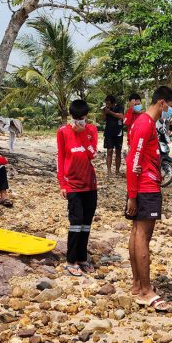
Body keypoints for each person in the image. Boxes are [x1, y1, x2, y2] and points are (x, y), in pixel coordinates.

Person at [125, 85, 172, 311]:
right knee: (142, 236)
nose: (170, 112)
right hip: (146, 187)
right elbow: (133, 161)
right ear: (162, 103)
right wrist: (133, 196)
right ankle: (146, 290)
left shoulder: (144, 124)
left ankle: (138, 285)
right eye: (170, 107)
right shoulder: (145, 124)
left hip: (142, 187)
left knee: (137, 233)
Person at [57, 100, 98, 276]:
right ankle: (71, 260)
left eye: (82, 118)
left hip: (89, 184)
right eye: (76, 119)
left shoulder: (91, 130)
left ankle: (82, 258)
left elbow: (92, 154)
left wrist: (82, 135)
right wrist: (62, 184)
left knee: (86, 223)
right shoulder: (63, 132)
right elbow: (60, 157)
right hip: (72, 185)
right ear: (71, 117)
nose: (80, 121)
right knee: (76, 222)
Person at [102, 95, 124, 177]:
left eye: (108, 103)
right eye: (106, 103)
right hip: (108, 132)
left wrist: (110, 112)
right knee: (109, 151)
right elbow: (103, 119)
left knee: (118, 151)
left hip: (118, 132)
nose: (107, 105)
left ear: (113, 103)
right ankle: (109, 171)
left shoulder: (120, 107)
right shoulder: (106, 109)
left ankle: (117, 171)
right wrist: (104, 112)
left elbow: (121, 116)